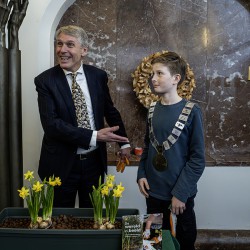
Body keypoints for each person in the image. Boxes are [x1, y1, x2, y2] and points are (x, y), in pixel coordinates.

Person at [35, 25, 130, 208]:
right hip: (61, 165)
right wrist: (94, 136)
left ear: (84, 50)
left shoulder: (98, 76)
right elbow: (51, 125)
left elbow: (109, 110)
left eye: (70, 45)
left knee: (92, 217)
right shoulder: (45, 81)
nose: (62, 50)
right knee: (61, 220)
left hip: (94, 162)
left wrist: (124, 142)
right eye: (59, 44)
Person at [137, 51, 205, 250]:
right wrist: (141, 173)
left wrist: (181, 193)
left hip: (181, 195)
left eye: (159, 74)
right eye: (152, 74)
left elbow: (197, 159)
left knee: (184, 242)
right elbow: (148, 147)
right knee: (154, 244)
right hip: (154, 192)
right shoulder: (152, 109)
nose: (153, 79)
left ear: (176, 78)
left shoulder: (192, 111)